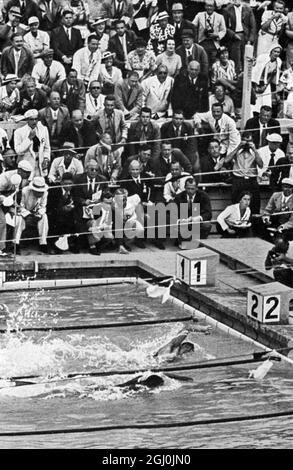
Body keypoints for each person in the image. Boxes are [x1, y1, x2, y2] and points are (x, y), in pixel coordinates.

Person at [72, 159, 108, 255]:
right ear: (86, 169)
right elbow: (74, 196)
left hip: (96, 207)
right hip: (82, 206)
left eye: (96, 170)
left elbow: (106, 195)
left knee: (97, 218)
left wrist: (100, 200)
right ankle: (85, 244)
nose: (94, 172)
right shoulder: (78, 179)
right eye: (92, 169)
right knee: (81, 219)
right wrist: (84, 201)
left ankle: (92, 245)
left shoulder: (102, 180)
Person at [223, 131, 263, 214]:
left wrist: (254, 150)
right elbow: (226, 160)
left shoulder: (256, 152)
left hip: (251, 180)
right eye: (245, 141)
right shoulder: (237, 151)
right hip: (238, 180)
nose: (247, 144)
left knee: (254, 204)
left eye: (249, 141)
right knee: (236, 204)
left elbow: (261, 164)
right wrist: (238, 147)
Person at [0, 160, 33, 255]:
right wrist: (4, 200)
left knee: (18, 218)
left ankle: (14, 244)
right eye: (27, 173)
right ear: (20, 170)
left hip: (9, 203)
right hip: (1, 201)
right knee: (1, 221)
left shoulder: (23, 180)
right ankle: (1, 248)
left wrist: (15, 206)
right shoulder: (5, 177)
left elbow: (15, 195)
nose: (28, 175)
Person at [14, 176, 49, 255]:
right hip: (24, 213)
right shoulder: (25, 191)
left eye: (41, 191)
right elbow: (21, 206)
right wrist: (27, 215)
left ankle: (43, 242)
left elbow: (43, 206)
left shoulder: (45, 193)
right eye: (38, 191)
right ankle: (16, 243)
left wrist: (39, 214)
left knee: (44, 217)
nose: (40, 193)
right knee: (19, 219)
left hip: (36, 213)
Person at [47, 171, 80, 254]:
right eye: (66, 183)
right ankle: (53, 246)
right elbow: (51, 207)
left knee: (76, 219)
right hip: (56, 214)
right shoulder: (54, 190)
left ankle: (71, 244)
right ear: (61, 182)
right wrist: (62, 209)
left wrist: (72, 207)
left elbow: (77, 202)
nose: (68, 186)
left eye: (70, 184)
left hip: (70, 214)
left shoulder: (74, 190)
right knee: (56, 220)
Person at [14, 109, 51, 178]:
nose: (34, 121)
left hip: (40, 165)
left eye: (36, 119)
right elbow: (18, 151)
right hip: (27, 165)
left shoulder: (43, 129)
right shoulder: (19, 132)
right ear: (27, 120)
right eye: (31, 119)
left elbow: (47, 148)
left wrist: (46, 159)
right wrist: (29, 139)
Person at [222, 0, 256, 74]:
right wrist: (233, 34)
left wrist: (250, 39)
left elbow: (253, 26)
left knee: (247, 58)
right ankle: (236, 77)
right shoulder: (227, 10)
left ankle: (246, 78)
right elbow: (224, 26)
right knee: (235, 59)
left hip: (245, 37)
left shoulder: (248, 9)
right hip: (233, 37)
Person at [175, 176, 212, 241]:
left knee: (207, 225)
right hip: (184, 222)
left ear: (196, 188)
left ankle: (200, 241)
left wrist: (198, 218)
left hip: (197, 222)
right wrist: (179, 220)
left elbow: (208, 213)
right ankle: (183, 240)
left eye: (192, 189)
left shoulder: (204, 196)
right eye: (188, 188)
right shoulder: (179, 197)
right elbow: (173, 213)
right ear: (184, 188)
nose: (190, 191)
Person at [192, 0, 227, 70]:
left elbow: (223, 30)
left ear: (214, 7)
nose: (209, 8)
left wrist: (217, 35)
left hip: (214, 44)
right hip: (202, 42)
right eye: (207, 6)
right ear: (205, 6)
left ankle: (213, 79)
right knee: (203, 64)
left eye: (211, 6)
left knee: (214, 65)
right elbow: (192, 25)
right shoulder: (199, 15)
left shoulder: (220, 17)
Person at [50, 7, 84, 74]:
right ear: (62, 19)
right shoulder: (56, 31)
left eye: (70, 18)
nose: (68, 20)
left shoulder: (77, 32)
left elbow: (80, 47)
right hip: (60, 60)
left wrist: (72, 58)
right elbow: (55, 48)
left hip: (74, 60)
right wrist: (64, 57)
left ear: (73, 19)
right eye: (66, 18)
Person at [252, 45, 283, 116]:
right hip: (257, 82)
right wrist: (257, 85)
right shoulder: (263, 58)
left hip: (267, 83)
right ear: (271, 51)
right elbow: (256, 72)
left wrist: (265, 85)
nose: (276, 53)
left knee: (266, 102)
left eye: (278, 52)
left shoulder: (279, 61)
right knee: (256, 103)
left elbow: (273, 74)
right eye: (275, 51)